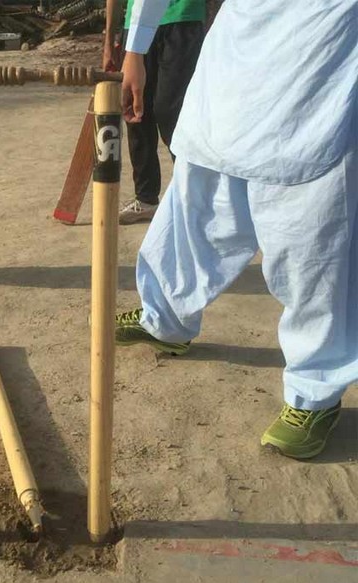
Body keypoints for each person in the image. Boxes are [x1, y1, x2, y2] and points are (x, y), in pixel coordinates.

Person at [117, 0, 358, 459]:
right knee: (196, 201)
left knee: (309, 233)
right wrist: (136, 48)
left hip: (322, 54)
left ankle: (315, 390)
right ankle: (165, 320)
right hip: (235, 55)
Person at [103, 0, 205, 225]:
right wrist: (109, 42)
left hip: (183, 19)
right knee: (136, 111)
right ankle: (146, 198)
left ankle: (192, 197)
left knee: (171, 112)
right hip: (135, 26)